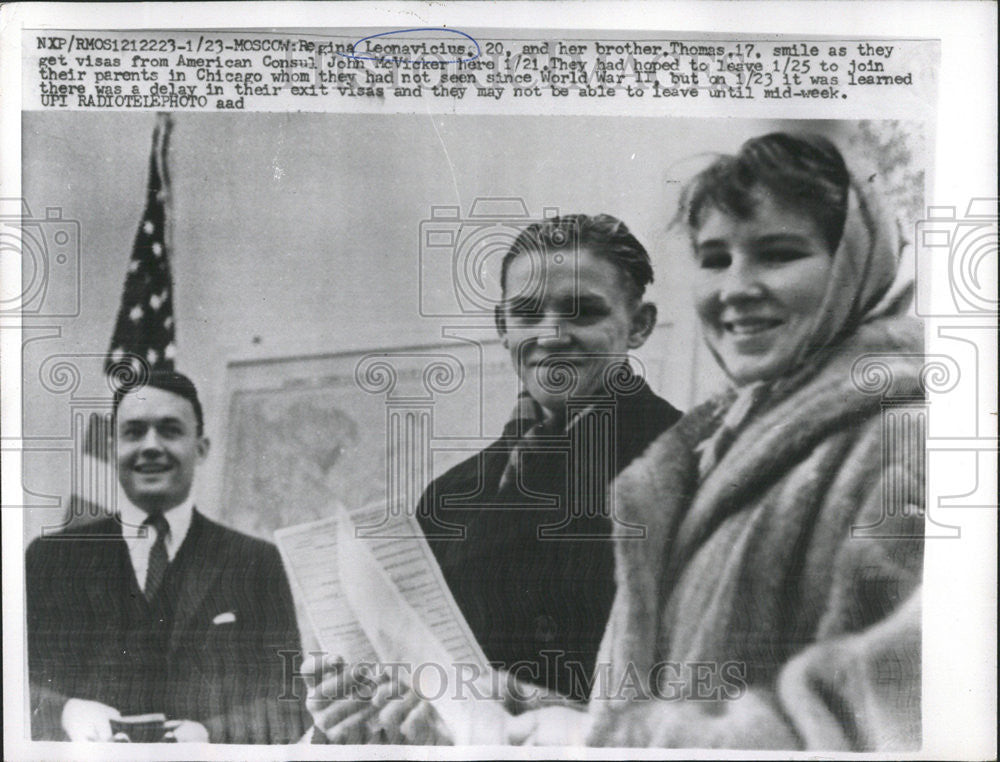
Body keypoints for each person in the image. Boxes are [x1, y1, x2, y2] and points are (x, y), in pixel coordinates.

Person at [511, 133, 925, 750]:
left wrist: (599, 738)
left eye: (779, 254)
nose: (735, 288)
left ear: (857, 265)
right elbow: (649, 689)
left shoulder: (904, 445)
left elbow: (881, 731)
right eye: (714, 259)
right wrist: (514, 708)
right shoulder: (716, 441)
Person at [304, 214, 683, 741]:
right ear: (503, 327)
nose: (551, 334)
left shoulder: (694, 465)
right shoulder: (453, 495)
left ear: (639, 325)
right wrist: (363, 709)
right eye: (527, 313)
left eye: (585, 312)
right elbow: (419, 677)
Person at [26, 370, 307, 744]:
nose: (151, 445)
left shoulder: (256, 562)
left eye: (170, 430)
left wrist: (209, 736)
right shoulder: (51, 558)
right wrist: (66, 712)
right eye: (134, 431)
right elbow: (11, 683)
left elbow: (289, 702)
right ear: (112, 449)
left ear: (201, 448)